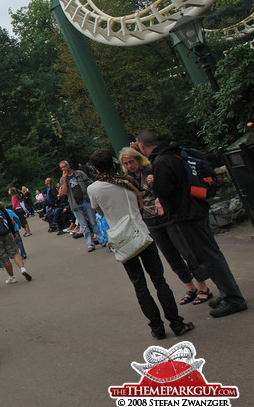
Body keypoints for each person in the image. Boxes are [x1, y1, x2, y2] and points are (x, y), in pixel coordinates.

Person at [135, 130, 247, 318]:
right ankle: (227, 293)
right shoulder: (174, 153)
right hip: (195, 208)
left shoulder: (162, 161)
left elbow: (163, 190)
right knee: (210, 254)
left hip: (184, 214)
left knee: (209, 256)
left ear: (141, 147)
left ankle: (233, 298)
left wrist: (153, 183)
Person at [86, 149, 194, 339]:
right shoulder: (128, 181)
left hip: (123, 241)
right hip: (143, 234)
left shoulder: (93, 189)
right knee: (159, 281)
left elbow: (100, 212)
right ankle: (176, 323)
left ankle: (157, 329)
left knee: (139, 285)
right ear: (113, 163)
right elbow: (140, 204)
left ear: (95, 168)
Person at [120, 146, 214, 306]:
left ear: (138, 159)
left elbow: (165, 187)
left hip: (166, 215)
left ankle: (203, 286)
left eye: (132, 162)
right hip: (150, 220)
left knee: (186, 251)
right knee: (171, 256)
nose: (130, 166)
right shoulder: (129, 179)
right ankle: (189, 287)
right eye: (127, 164)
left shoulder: (150, 169)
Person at [60, 160, 103, 252]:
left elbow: (88, 183)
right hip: (75, 204)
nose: (64, 169)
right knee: (83, 225)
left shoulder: (79, 173)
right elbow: (64, 192)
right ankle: (90, 244)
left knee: (93, 222)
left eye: (65, 166)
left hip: (85, 200)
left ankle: (101, 240)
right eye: (62, 167)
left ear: (69, 165)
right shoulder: (62, 179)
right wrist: (64, 179)